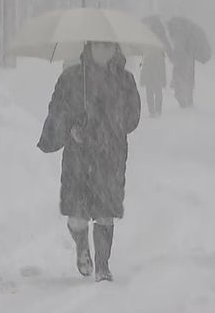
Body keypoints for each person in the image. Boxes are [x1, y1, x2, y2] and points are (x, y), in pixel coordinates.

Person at [37, 41, 141, 282]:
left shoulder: (125, 81)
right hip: (78, 156)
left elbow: (133, 117)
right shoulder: (72, 79)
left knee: (105, 212)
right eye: (97, 46)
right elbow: (57, 110)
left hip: (110, 156)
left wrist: (112, 124)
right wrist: (71, 128)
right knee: (77, 212)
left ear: (115, 49)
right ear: (88, 47)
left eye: (108, 46)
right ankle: (82, 248)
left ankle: (103, 265)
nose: (102, 51)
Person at [139, 50, 166, 118]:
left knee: (150, 92)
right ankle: (157, 110)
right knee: (157, 91)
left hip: (150, 71)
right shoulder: (159, 46)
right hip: (157, 70)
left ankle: (152, 111)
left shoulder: (147, 47)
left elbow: (143, 63)